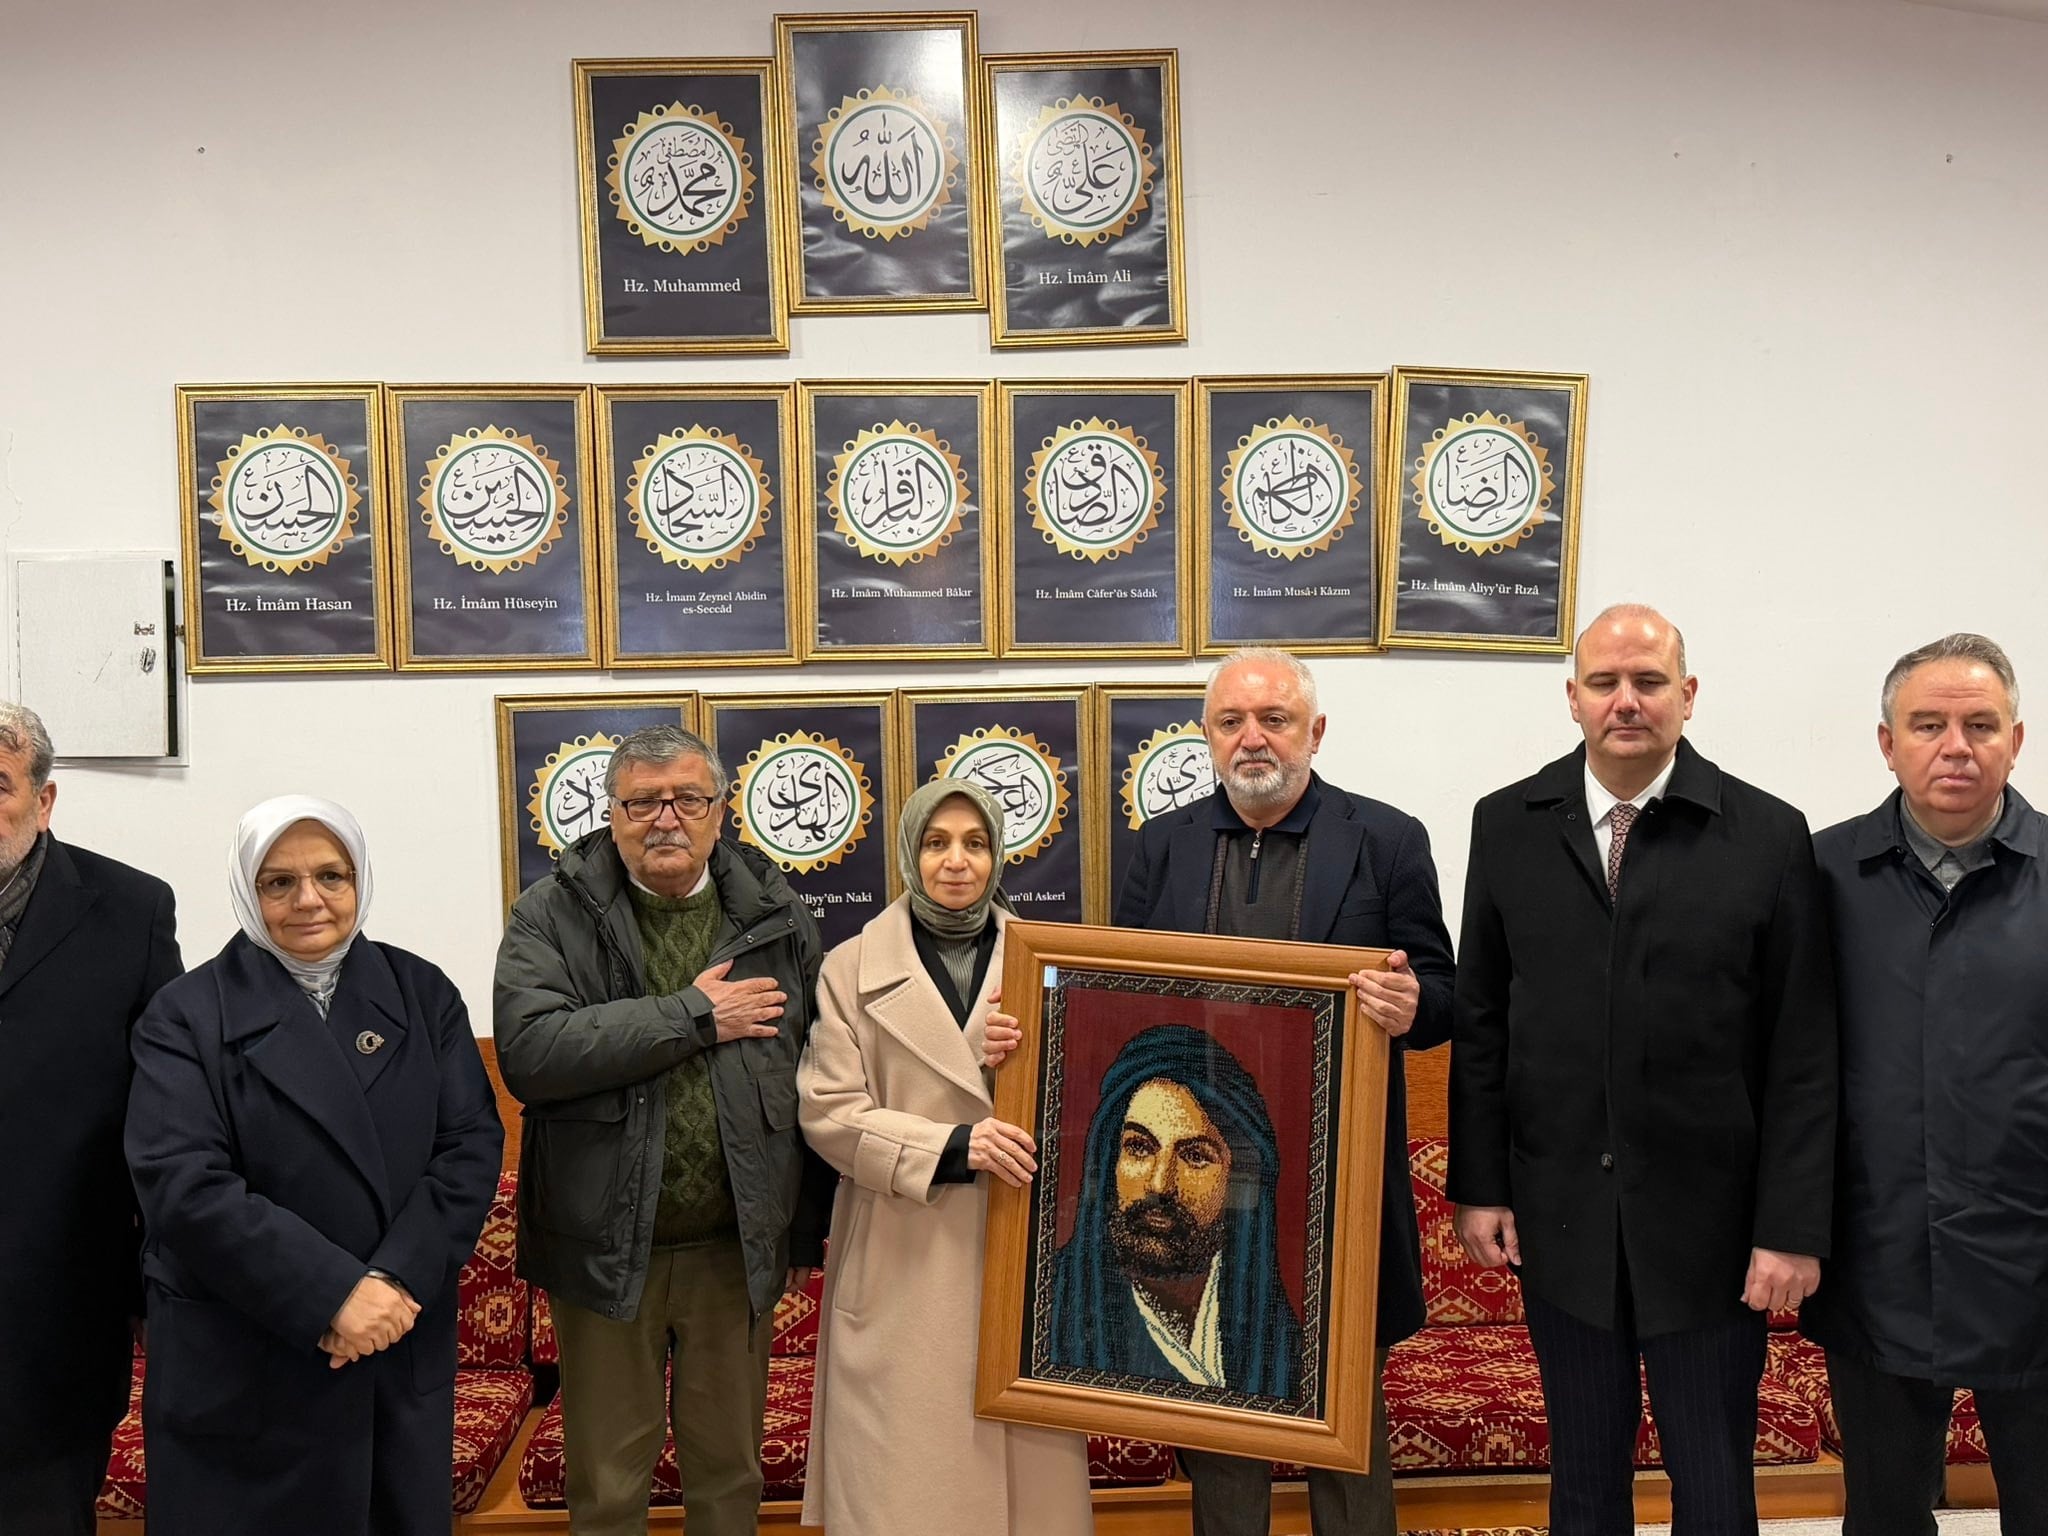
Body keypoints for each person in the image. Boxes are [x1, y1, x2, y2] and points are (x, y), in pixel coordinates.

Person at [1449, 603, 1837, 1536]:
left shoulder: (1769, 835)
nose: (1627, 701)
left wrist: (1790, 1229)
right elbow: (1483, 1022)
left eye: (1650, 681)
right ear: (1573, 698)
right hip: (1561, 1219)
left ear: (1687, 695)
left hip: (1712, 1231)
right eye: (1605, 682)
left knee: (1713, 1481)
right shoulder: (1506, 824)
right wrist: (1481, 1185)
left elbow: (1803, 1052)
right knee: (1584, 1483)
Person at [1116, 646, 1456, 1536]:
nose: (1253, 738)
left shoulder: (1387, 839)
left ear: (1316, 731)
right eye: (1231, 722)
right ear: (1207, 735)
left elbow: (1445, 997)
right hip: (1205, 1179)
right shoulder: (1161, 846)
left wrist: (1413, 1004)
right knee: (1219, 1412)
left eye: (1274, 719)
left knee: (1346, 1423)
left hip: (1339, 1182)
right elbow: (1121, 1001)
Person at [124, 796, 503, 1536]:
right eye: (278, 882)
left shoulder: (422, 994)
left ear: (360, 879)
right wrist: (333, 1295)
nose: (309, 900)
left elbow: (468, 1147)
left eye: (331, 875)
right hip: (246, 1356)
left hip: (391, 1338)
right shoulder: (185, 1013)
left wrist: (392, 1283)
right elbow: (182, 1182)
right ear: (246, 889)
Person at [494, 725, 832, 1536]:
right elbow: (533, 1052)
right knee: (608, 1487)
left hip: (734, 1250)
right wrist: (692, 1015)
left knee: (730, 1477)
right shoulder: (549, 914)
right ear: (611, 814)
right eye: (643, 802)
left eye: (687, 798)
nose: (666, 818)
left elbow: (818, 1071)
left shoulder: (778, 914)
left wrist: (798, 1232)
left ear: (721, 811)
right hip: (607, 1251)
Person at [797, 778, 1092, 1536]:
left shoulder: (1051, 961)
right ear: (909, 854)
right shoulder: (850, 967)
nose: (956, 861)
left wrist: (1020, 1066)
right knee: (906, 1490)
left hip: (1020, 1257)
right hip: (901, 1261)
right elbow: (828, 1115)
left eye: (975, 843)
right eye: (936, 843)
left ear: (999, 856)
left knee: (1025, 1499)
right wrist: (954, 1146)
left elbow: (1093, 1111)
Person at [1805, 632, 2048, 1534]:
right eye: (1928, 725)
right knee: (1884, 1512)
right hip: (1878, 1252)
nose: (1956, 747)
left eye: (1980, 725)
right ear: (1887, 742)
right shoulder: (1819, 873)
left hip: (2034, 1254)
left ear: (2014, 741)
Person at [0, 702, 180, 1535]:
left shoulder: (130, 909)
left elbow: (167, 1107)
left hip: (61, 1302)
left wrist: (152, 1271)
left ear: (44, 800)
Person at [1049, 1024, 1302, 1398]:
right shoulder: (1046, 1307)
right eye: (1139, 1148)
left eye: (1195, 1156)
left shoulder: (1282, 1344)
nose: (1159, 1184)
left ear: (1239, 1178)